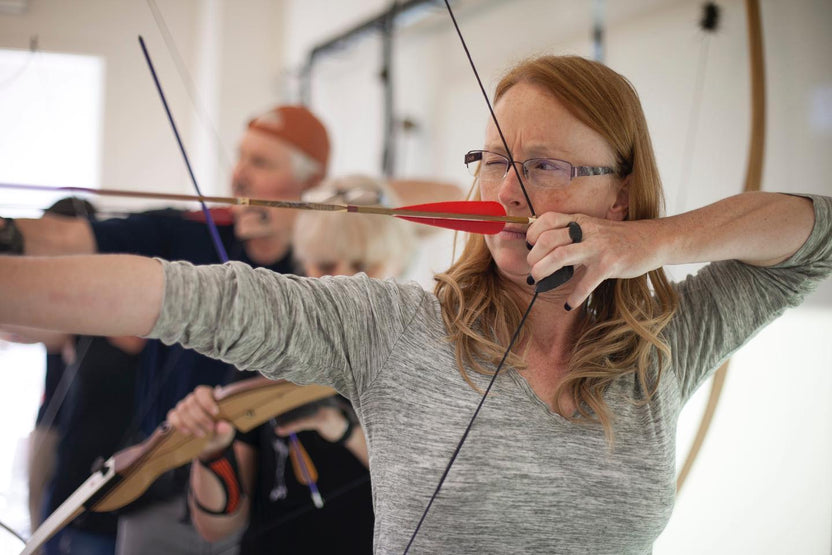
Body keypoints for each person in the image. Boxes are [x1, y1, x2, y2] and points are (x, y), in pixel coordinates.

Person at [1, 55, 830, 553]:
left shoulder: (668, 344)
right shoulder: (395, 328)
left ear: (618, 196)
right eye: (493, 159)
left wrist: (649, 246)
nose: (505, 190)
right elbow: (184, 297)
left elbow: (817, 236)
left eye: (543, 165)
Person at [0, 105, 330, 554]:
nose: (239, 175)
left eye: (261, 162)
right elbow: (75, 238)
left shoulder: (322, 264)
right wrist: (8, 232)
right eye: (240, 156)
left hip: (260, 500)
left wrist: (310, 221)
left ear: (309, 184)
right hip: (160, 484)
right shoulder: (191, 232)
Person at [168, 175, 415, 553]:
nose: (345, 279)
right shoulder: (267, 353)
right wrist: (213, 452)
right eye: (326, 263)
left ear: (396, 264)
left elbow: (435, 491)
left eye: (365, 264)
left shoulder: (420, 358)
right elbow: (216, 528)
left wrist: (343, 430)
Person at [5, 197, 143, 555]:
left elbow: (132, 335)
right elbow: (22, 328)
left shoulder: (111, 306)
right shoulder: (70, 317)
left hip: (105, 475)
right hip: (64, 463)